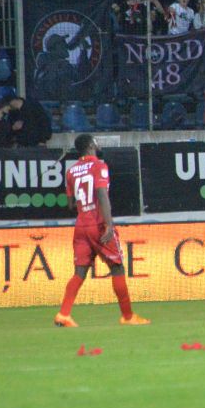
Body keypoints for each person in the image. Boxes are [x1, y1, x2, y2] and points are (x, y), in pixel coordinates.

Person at [54, 134, 151, 327]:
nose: (97, 144)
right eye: (95, 142)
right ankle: (128, 316)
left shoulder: (71, 171)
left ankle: (64, 314)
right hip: (97, 224)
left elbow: (70, 204)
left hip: (80, 225)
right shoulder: (99, 166)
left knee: (79, 272)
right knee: (117, 268)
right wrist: (108, 224)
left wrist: (85, 205)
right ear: (90, 146)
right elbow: (101, 194)